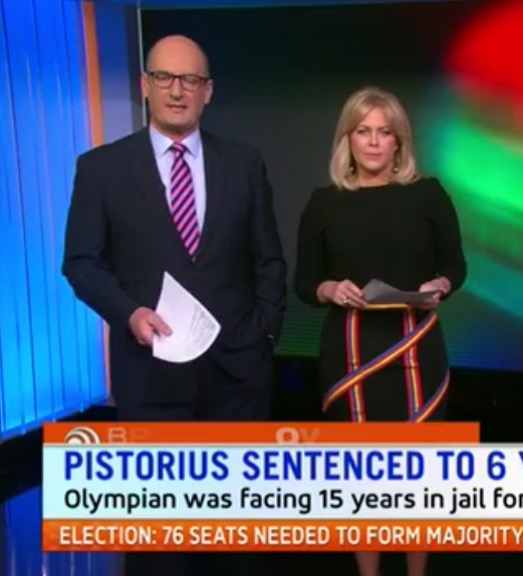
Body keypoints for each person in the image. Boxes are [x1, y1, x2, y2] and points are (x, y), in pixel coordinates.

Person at [61, 35, 286, 575]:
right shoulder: (100, 169)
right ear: (145, 85)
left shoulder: (244, 163)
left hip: (236, 378)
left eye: (190, 80)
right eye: (164, 77)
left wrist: (264, 334)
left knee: (235, 546)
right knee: (159, 549)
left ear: (209, 91)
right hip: (150, 380)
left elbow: (269, 261)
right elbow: (82, 263)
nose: (177, 91)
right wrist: (128, 313)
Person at [293, 86, 467, 576]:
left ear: (399, 142)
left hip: (415, 349)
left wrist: (441, 284)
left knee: (418, 477)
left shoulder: (428, 195)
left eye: (384, 132)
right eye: (363, 131)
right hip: (350, 352)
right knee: (360, 478)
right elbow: (304, 282)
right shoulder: (324, 203)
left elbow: (456, 266)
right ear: (347, 140)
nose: (373, 142)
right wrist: (330, 288)